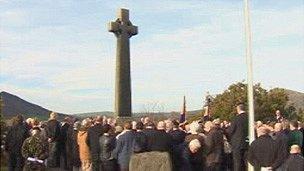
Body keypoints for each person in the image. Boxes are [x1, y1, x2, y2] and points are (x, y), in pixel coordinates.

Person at [226, 103, 248, 171]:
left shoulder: (236, 118)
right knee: (247, 163)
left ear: (238, 109)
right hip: (248, 142)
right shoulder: (249, 117)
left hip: (237, 144)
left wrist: (229, 140)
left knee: (237, 163)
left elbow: (231, 131)